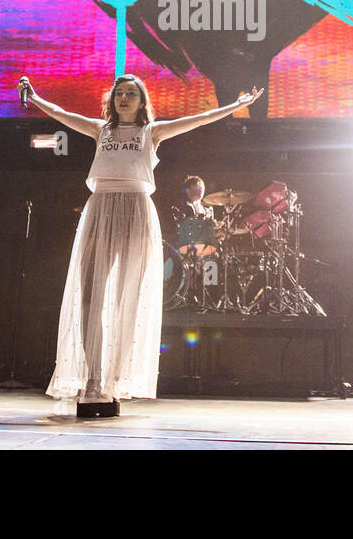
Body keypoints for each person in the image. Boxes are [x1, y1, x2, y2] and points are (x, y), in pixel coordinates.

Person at [20, 73, 262, 417]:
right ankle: (92, 381)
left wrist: (236, 106)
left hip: (135, 208)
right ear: (112, 99)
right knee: (91, 296)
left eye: (131, 94)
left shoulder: (152, 132)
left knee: (125, 298)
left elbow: (196, 120)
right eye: (120, 93)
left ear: (141, 101)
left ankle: (113, 384)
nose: (124, 99)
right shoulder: (99, 129)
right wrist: (35, 98)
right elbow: (62, 114)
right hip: (101, 206)